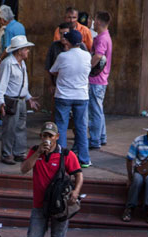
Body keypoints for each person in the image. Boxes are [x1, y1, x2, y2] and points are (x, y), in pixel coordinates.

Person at [17, 122, 82, 237]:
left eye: (50, 136)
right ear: (41, 137)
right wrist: (38, 153)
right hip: (39, 204)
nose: (47, 139)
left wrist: (76, 192)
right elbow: (24, 169)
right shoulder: (34, 151)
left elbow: (78, 174)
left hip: (59, 206)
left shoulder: (66, 154)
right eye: (45, 135)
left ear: (57, 137)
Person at [50, 30, 92, 167]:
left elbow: (53, 71)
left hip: (63, 96)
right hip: (81, 96)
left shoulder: (62, 56)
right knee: (81, 127)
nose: (64, 42)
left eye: (65, 40)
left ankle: (61, 158)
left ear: (68, 42)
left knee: (61, 127)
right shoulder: (87, 56)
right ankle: (84, 159)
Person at [0, 35, 40, 165]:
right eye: (26, 49)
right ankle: (7, 154)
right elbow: (3, 83)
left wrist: (28, 97)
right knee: (10, 128)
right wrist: (1, 101)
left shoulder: (22, 64)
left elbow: (22, 83)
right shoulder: (8, 63)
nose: (28, 51)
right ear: (19, 50)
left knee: (21, 127)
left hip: (21, 100)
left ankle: (19, 153)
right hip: (11, 100)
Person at [122, 120, 148, 224]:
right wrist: (130, 177)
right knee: (137, 180)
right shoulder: (138, 141)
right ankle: (129, 208)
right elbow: (129, 159)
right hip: (140, 169)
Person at [88, 11, 112, 151]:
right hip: (100, 79)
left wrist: (87, 67)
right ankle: (101, 136)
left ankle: (95, 139)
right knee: (98, 109)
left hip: (96, 79)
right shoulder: (104, 36)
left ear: (97, 21)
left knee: (95, 110)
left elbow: (98, 55)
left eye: (94, 20)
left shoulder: (102, 38)